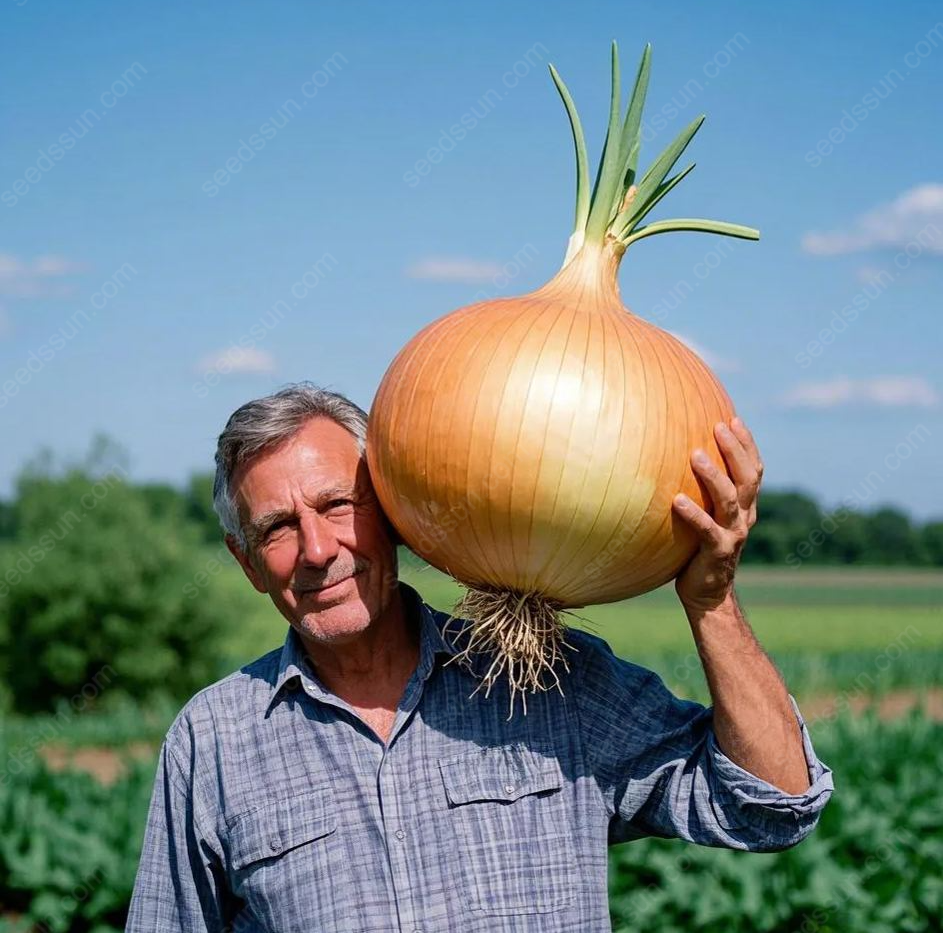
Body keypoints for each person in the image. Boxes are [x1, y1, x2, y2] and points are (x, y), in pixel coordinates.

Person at [126, 383, 833, 932]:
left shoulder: (550, 680)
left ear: (393, 506)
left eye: (337, 503)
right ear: (246, 561)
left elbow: (771, 805)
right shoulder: (212, 739)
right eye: (278, 527)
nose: (316, 549)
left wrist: (711, 601)